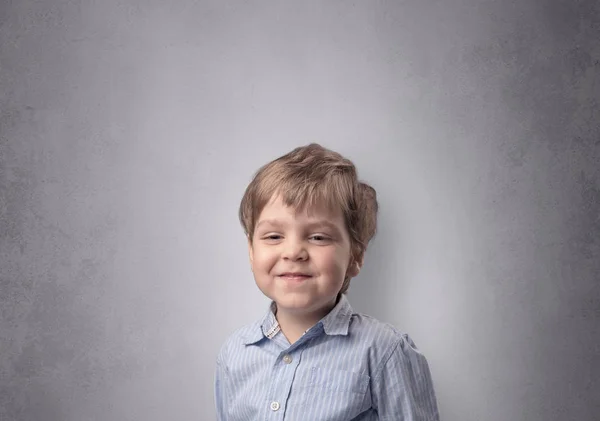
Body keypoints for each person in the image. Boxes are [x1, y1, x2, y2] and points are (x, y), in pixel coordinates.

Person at [214, 143, 440, 420]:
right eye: (274, 236)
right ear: (251, 252)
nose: (293, 252)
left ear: (355, 256)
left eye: (318, 237)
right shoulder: (235, 353)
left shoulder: (384, 351)